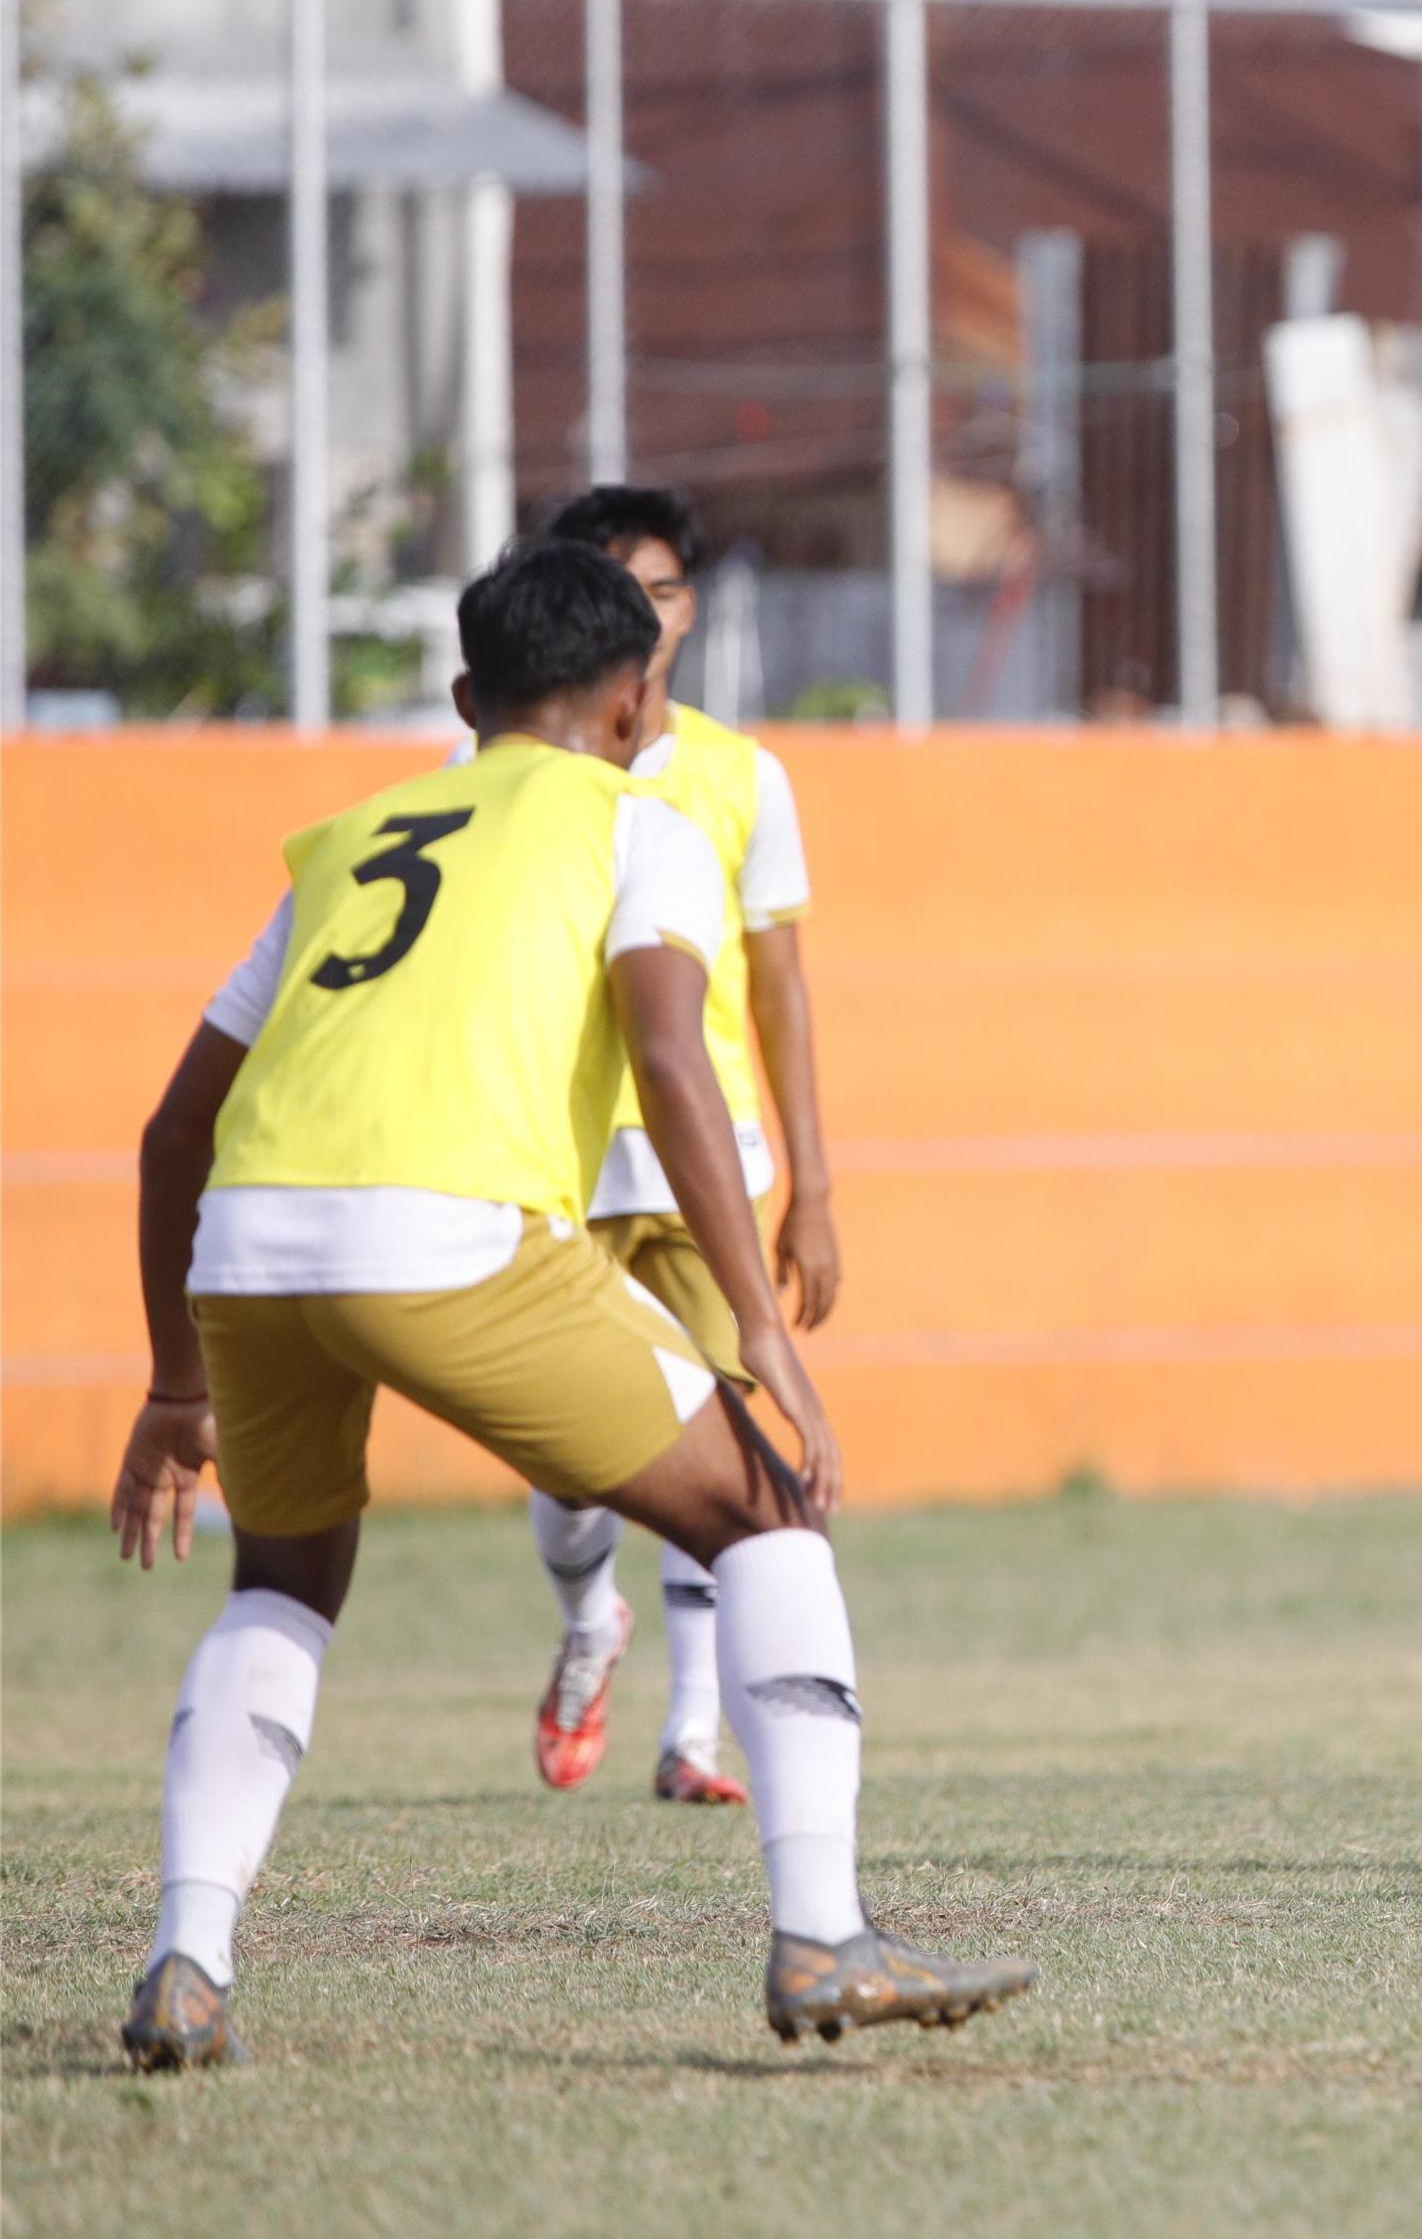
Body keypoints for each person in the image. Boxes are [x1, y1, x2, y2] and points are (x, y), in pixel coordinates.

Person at [112, 541, 1030, 2066]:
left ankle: (186, 1960)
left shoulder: (349, 837)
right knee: (767, 1516)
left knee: (280, 1583)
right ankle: (823, 1938)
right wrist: (766, 1340)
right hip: (448, 1233)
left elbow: (169, 1132)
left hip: (252, 1247)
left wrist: (172, 1388)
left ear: (467, 695)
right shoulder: (637, 821)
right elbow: (676, 1060)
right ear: (633, 699)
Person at [505, 486, 841, 1807]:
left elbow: (780, 988)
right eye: (609, 589)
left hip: (706, 1157)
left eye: (659, 590)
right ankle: (590, 1622)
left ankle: (692, 1736)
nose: (636, 617)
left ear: (691, 608)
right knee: (572, 1464)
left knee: (723, 1437)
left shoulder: (745, 776)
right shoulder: (521, 775)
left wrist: (813, 1188)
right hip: (563, 1153)